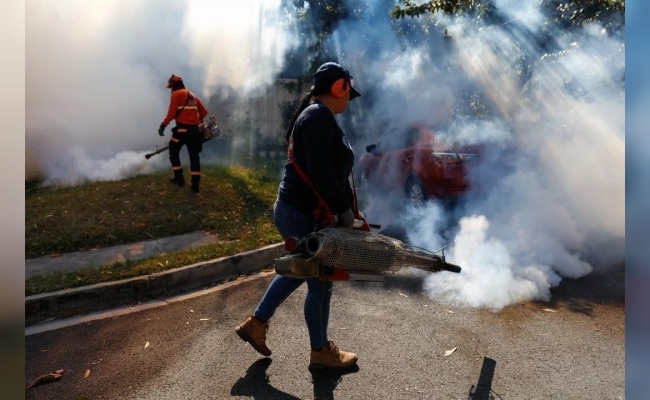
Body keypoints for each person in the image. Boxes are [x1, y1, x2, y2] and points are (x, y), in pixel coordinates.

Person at [235, 61, 362, 372]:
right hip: (302, 213)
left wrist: (346, 207)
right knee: (319, 280)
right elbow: (320, 172)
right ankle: (319, 352)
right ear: (339, 88)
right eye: (348, 93)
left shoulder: (318, 116)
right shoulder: (318, 116)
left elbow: (330, 170)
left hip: (300, 211)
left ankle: (258, 324)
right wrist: (342, 209)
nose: (349, 100)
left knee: (302, 272)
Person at [158, 74, 208, 193]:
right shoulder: (193, 95)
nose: (171, 89)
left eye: (171, 87)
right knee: (194, 156)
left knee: (173, 150)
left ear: (174, 85)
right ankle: (195, 186)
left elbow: (171, 112)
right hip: (195, 132)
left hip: (181, 131)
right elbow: (204, 112)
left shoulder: (176, 94)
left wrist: (163, 125)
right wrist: (195, 121)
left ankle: (179, 179)